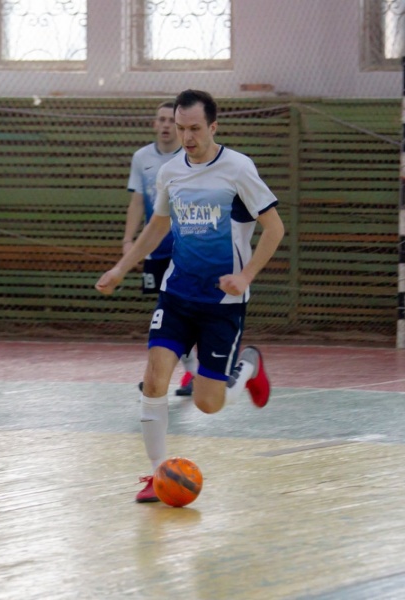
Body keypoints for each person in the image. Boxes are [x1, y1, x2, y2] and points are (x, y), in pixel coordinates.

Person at [96, 89, 286, 502]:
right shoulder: (170, 172)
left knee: (208, 404)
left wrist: (245, 276)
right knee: (154, 380)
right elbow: (158, 225)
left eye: (195, 128)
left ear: (214, 126)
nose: (187, 137)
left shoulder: (238, 168)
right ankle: (157, 474)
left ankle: (248, 366)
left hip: (222, 303)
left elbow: (275, 228)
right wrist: (121, 267)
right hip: (177, 295)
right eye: (181, 128)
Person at [124, 101, 196, 396]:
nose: (166, 125)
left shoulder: (189, 158)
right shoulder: (142, 158)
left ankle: (181, 373)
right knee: (164, 313)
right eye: (162, 120)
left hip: (185, 249)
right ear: (155, 124)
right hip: (155, 248)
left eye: (171, 121)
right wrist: (129, 241)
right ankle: (183, 372)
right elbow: (137, 202)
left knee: (176, 311)